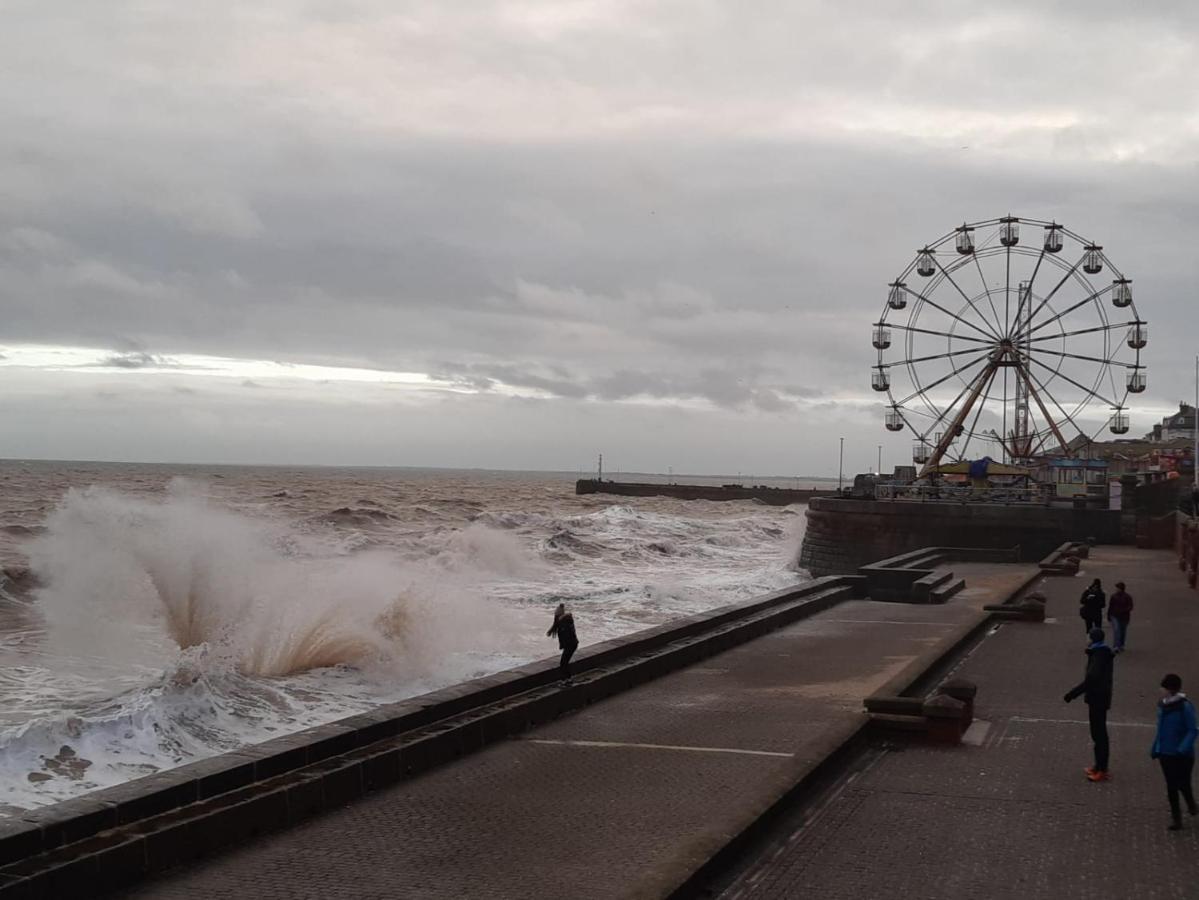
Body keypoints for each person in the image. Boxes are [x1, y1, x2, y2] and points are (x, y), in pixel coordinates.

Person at [1064, 626, 1115, 782]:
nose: (1086, 639)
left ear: (1092, 639)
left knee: (1099, 734)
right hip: (1099, 697)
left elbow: (1091, 679)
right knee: (1097, 733)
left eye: (1088, 637)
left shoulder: (1098, 655)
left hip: (1098, 698)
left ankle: (1102, 769)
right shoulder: (1099, 653)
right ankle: (1098, 765)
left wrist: (1072, 694)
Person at [1152, 673, 1199, 830]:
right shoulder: (1162, 705)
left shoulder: (1185, 707)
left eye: (1164, 688)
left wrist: (1182, 749)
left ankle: (1191, 804)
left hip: (1182, 755)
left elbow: (1193, 730)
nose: (1161, 691)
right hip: (1166, 753)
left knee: (1183, 783)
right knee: (1171, 786)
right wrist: (1156, 747)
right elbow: (1160, 730)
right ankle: (1176, 818)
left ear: (1171, 689)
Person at [546, 603, 579, 685]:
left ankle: (566, 680)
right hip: (571, 644)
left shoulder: (566, 621)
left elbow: (566, 633)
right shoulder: (562, 621)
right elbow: (555, 625)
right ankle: (567, 679)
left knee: (563, 663)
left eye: (556, 616)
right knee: (564, 662)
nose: (556, 618)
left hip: (571, 644)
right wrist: (550, 631)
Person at [1107, 581, 1134, 653]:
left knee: (1122, 631)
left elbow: (1130, 607)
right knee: (1116, 630)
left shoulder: (1127, 597)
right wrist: (1109, 615)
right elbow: (1110, 606)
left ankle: (1121, 645)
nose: (1116, 589)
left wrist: (1123, 610)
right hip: (1114, 615)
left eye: (1117, 588)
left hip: (1124, 617)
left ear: (1121, 589)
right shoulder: (1113, 596)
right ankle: (1116, 646)